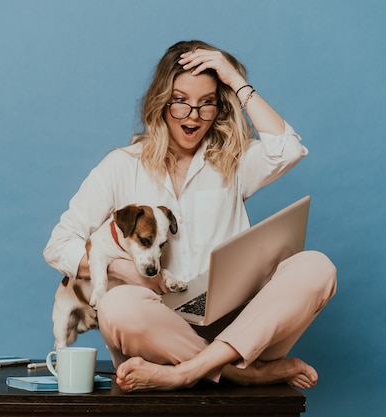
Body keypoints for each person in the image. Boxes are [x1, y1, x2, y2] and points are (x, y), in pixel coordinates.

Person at [44, 40, 337, 392]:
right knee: (118, 306)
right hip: (156, 330)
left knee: (317, 267)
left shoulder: (233, 161)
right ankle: (245, 373)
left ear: (220, 105)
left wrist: (235, 80)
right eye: (180, 101)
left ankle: (188, 372)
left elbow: (287, 149)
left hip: (239, 325)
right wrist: (121, 268)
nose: (193, 115)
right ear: (161, 101)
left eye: (206, 103)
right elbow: (59, 244)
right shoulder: (122, 165)